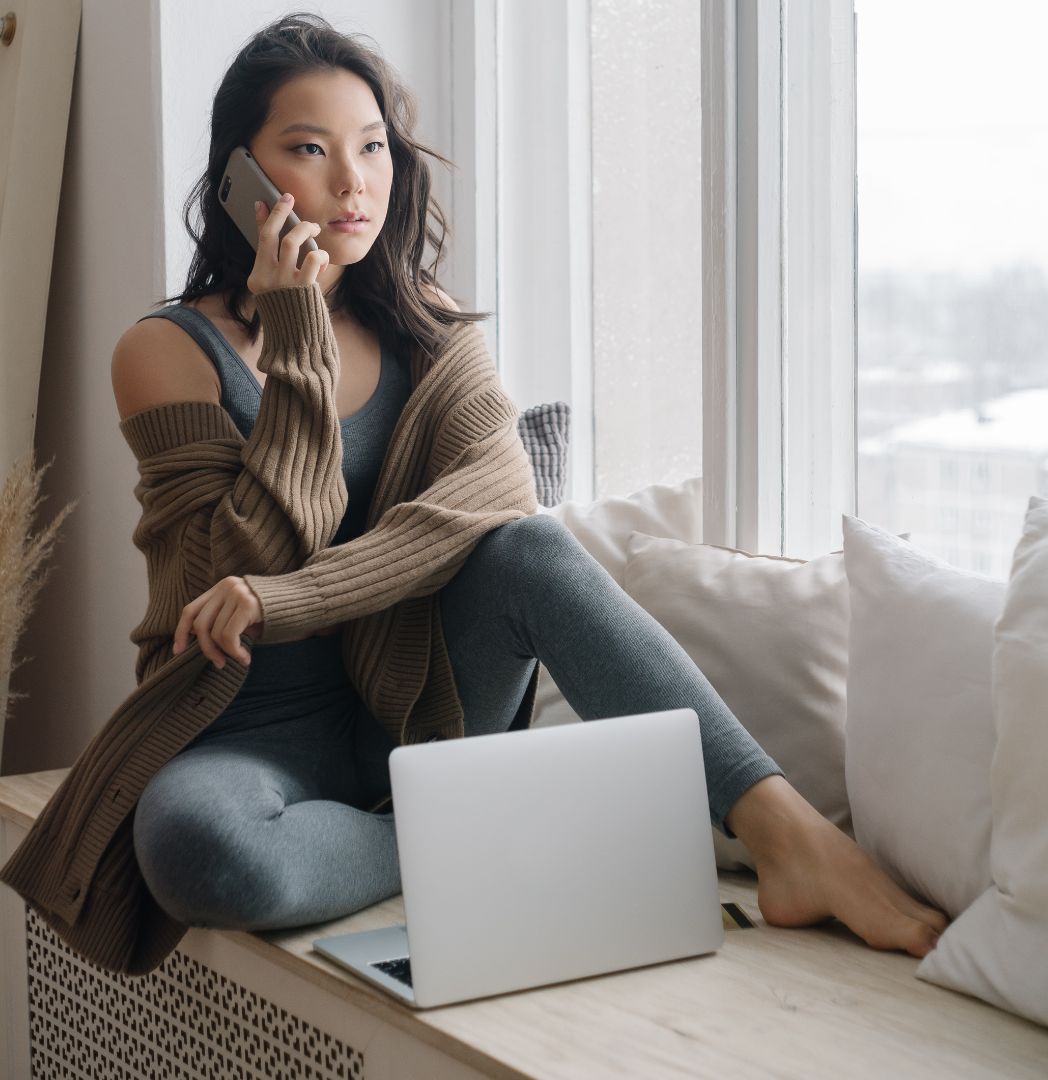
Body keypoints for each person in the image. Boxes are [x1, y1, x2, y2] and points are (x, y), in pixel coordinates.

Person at [110, 12, 947, 959]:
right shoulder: (168, 352)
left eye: (373, 147)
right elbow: (244, 556)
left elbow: (488, 499)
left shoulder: (429, 330)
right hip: (245, 729)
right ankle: (489, 824)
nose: (353, 182)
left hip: (415, 700)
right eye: (309, 149)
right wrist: (296, 336)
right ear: (242, 177)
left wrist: (286, 599)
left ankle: (790, 834)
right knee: (196, 853)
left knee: (527, 549)